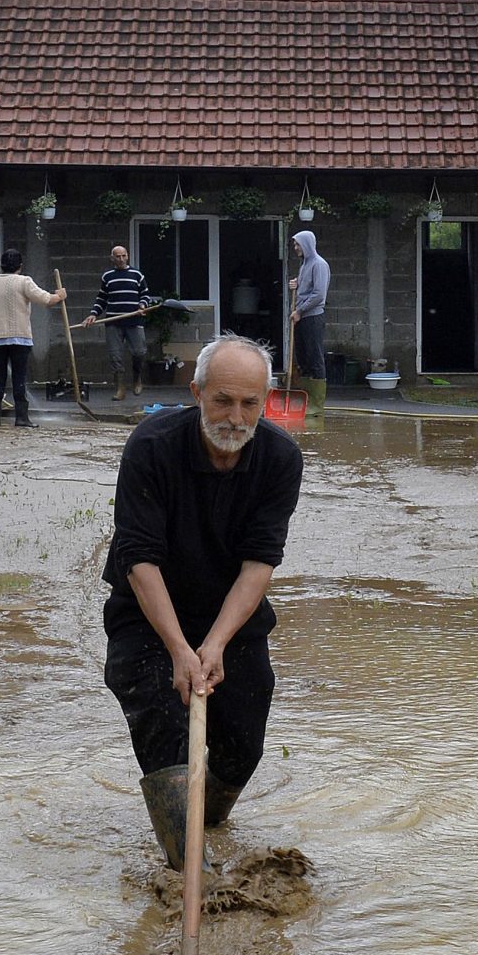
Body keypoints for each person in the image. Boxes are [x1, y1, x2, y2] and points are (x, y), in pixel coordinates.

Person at [101, 336, 302, 867]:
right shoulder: (151, 447)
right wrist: (177, 649)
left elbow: (260, 562)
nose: (236, 418)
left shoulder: (281, 458)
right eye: (222, 401)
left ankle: (205, 822)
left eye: (249, 404)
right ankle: (189, 868)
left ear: (265, 400)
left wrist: (212, 645)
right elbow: (138, 558)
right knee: (164, 731)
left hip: (230, 617)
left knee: (243, 744)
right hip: (148, 614)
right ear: (196, 394)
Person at [0, 247, 64, 428]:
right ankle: (21, 418)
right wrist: (59, 295)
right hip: (20, 339)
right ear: (20, 266)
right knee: (19, 377)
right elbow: (46, 299)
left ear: (1, 265)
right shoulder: (24, 282)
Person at [88, 244, 153, 401]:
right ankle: (120, 388)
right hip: (114, 321)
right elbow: (102, 298)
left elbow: (145, 295)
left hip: (134, 319)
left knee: (139, 352)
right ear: (112, 258)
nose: (121, 259)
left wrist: (142, 305)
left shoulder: (137, 275)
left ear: (127, 256)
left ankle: (137, 378)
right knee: (115, 356)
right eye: (118, 256)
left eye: (124, 255)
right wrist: (93, 314)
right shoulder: (107, 276)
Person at [288, 229, 330, 415]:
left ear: (306, 244)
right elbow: (307, 288)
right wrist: (297, 284)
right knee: (303, 358)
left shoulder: (319, 265)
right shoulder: (305, 264)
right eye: (295, 244)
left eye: (298, 244)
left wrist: (300, 311)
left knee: (314, 358)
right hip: (301, 317)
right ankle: (305, 400)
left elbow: (319, 295)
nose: (295, 248)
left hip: (312, 317)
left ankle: (316, 404)